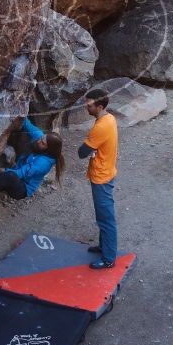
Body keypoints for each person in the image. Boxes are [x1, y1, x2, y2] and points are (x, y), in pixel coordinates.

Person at [77, 88, 119, 269]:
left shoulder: (100, 127)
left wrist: (90, 149)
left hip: (101, 177)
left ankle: (109, 259)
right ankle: (103, 247)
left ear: (99, 106)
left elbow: (81, 152)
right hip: (106, 172)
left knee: (106, 219)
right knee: (103, 217)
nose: (86, 107)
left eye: (89, 104)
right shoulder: (109, 118)